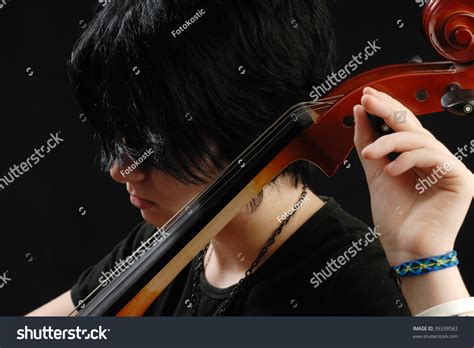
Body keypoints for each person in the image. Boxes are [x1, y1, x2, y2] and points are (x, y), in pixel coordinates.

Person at [28, 0, 473, 316]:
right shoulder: (162, 242)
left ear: (245, 120)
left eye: (149, 140)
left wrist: (424, 258)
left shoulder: (359, 289)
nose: (121, 169)